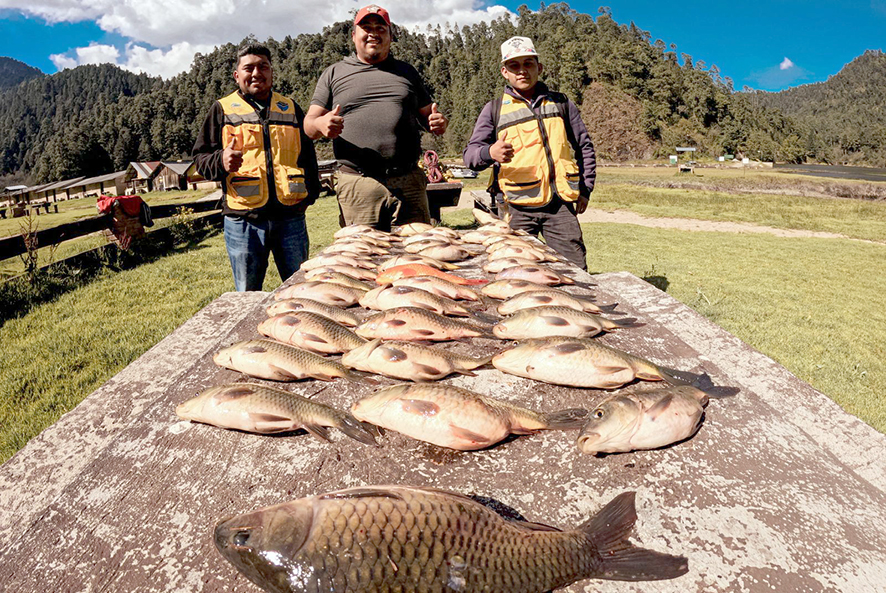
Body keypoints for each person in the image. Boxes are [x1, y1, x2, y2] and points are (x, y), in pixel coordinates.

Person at [304, 4, 448, 232]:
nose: (373, 32)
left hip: (408, 182)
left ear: (390, 36)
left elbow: (429, 115)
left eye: (381, 28)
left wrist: (439, 122)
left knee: (416, 256)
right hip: (358, 185)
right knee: (361, 259)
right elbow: (309, 125)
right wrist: (321, 124)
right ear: (354, 36)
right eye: (366, 27)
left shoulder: (407, 72)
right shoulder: (333, 73)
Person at [193, 43, 320, 291]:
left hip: (290, 218)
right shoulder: (221, 109)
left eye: (263, 66)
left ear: (272, 72)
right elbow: (200, 158)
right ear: (237, 75)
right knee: (247, 295)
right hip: (244, 222)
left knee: (301, 290)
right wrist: (221, 161)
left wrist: (310, 197)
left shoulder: (291, 108)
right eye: (248, 68)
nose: (256, 73)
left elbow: (308, 158)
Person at [463, 36, 596, 270]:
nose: (522, 71)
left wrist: (585, 188)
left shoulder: (562, 104)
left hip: (560, 207)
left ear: (539, 67)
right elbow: (470, 156)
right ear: (505, 71)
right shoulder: (494, 110)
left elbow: (584, 147)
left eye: (528, 63)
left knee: (576, 272)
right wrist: (490, 152)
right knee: (517, 273)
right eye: (514, 65)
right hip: (516, 209)